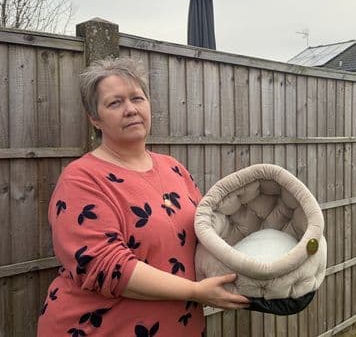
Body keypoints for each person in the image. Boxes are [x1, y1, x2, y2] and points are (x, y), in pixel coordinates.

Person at [37, 57, 249, 337]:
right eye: (115, 103)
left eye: (137, 98)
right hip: (101, 328)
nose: (130, 109)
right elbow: (106, 267)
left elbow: (207, 233)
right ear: (94, 119)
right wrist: (195, 291)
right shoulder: (81, 179)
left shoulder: (174, 169)